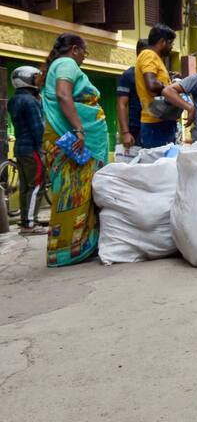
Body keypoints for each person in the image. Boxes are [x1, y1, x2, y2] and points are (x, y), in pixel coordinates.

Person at [40, 33, 108, 267]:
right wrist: (79, 129)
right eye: (85, 52)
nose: (85, 58)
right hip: (71, 139)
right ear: (75, 49)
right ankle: (67, 250)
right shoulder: (66, 63)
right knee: (73, 194)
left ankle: (80, 246)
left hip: (71, 139)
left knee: (79, 193)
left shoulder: (57, 64)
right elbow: (63, 94)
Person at [8, 66, 47, 235]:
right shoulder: (31, 102)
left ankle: (26, 219)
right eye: (36, 78)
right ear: (27, 80)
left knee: (25, 186)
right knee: (37, 185)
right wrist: (44, 148)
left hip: (20, 148)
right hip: (32, 149)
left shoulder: (14, 100)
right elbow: (38, 128)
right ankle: (30, 224)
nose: (39, 81)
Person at [136, 23, 177, 149]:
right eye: (171, 43)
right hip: (155, 124)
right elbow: (152, 85)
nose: (171, 48)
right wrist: (172, 89)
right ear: (162, 41)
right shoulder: (149, 55)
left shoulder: (157, 58)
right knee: (159, 166)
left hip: (162, 122)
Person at [116, 39, 148, 148]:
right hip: (136, 130)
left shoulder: (158, 74)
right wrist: (125, 133)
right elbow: (121, 104)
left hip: (157, 128)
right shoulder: (129, 75)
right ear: (139, 53)